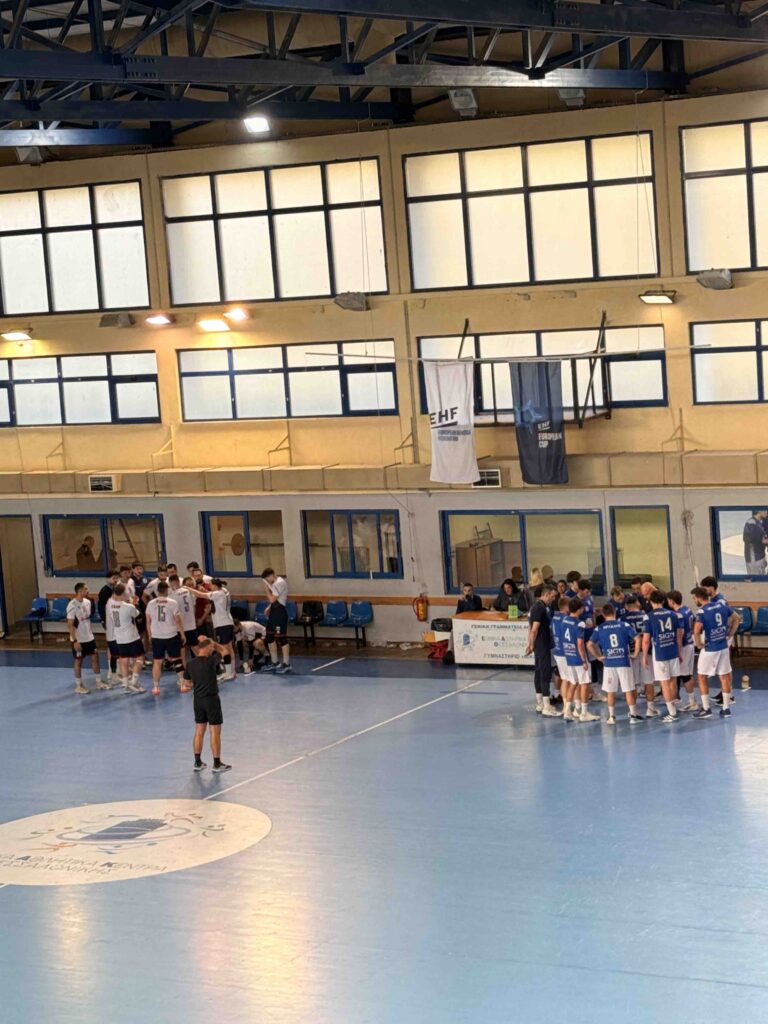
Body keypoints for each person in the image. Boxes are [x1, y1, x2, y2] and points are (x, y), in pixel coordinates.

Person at [588, 604, 643, 725]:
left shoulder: (599, 628)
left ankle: (612, 717)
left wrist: (598, 657)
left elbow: (589, 644)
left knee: (610, 691)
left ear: (603, 614)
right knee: (628, 689)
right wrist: (635, 654)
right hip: (624, 661)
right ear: (614, 612)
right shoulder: (624, 625)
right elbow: (638, 638)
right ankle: (633, 715)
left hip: (609, 663)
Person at [691, 586, 740, 719]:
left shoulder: (701, 611)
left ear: (698, 598)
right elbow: (737, 618)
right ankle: (726, 708)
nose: (694, 601)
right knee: (724, 676)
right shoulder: (721, 606)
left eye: (694, 598)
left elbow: (696, 630)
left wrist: (699, 644)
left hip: (710, 648)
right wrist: (730, 634)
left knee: (702, 676)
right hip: (723, 646)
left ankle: (706, 708)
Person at [184, 637, 231, 773]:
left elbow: (187, 684)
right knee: (215, 731)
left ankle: (197, 762)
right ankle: (216, 764)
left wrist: (198, 684)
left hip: (198, 700)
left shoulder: (190, 664)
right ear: (207, 648)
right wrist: (214, 643)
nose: (212, 650)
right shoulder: (211, 661)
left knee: (199, 731)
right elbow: (225, 651)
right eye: (211, 648)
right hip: (211, 700)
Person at [643, 589, 682, 722]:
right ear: (664, 600)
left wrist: (644, 657)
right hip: (673, 651)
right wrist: (679, 652)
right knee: (673, 681)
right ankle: (673, 707)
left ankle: (672, 713)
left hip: (661, 654)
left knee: (664, 683)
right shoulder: (673, 614)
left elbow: (646, 640)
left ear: (651, 602)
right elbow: (678, 636)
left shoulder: (649, 616)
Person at [561, 597, 599, 723]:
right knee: (584, 684)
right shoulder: (580, 623)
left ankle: (567, 711)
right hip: (578, 658)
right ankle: (584, 713)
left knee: (573, 683)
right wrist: (584, 660)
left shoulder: (565, 620)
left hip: (569, 656)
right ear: (579, 609)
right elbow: (580, 644)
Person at [67, 583, 110, 695]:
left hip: (89, 637)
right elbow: (70, 624)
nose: (88, 590)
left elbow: (86, 619)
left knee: (95, 657)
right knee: (78, 661)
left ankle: (98, 682)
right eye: (86, 589)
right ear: (80, 591)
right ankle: (78, 685)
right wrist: (75, 641)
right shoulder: (72, 605)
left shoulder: (88, 602)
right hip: (78, 639)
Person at [525, 584, 561, 716]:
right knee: (544, 672)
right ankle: (546, 706)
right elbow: (533, 629)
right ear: (546, 594)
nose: (553, 599)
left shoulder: (544, 606)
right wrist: (531, 644)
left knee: (540, 671)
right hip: (542, 644)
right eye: (552, 596)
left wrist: (531, 644)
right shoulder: (538, 608)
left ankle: (540, 703)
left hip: (543, 643)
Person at [145, 581, 184, 696]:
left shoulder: (150, 603)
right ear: (167, 590)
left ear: (157, 591)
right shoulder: (172, 602)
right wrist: (182, 634)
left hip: (157, 636)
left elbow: (148, 621)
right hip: (171, 634)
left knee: (157, 661)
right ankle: (182, 684)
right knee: (177, 659)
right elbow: (177, 620)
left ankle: (156, 687)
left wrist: (150, 635)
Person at [699, 575, 733, 705]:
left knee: (725, 668)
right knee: (723, 668)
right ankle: (725, 693)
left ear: (711, 588)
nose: (703, 590)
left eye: (705, 588)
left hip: (722, 635)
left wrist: (728, 632)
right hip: (717, 635)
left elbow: (730, 617)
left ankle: (729, 695)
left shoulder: (720, 600)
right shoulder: (712, 599)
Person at [667, 590, 699, 713]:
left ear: (671, 601)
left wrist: (679, 651)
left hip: (684, 646)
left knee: (685, 675)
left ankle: (692, 702)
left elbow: (680, 634)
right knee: (687, 674)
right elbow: (694, 623)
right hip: (690, 643)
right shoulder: (687, 609)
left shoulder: (678, 614)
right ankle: (688, 700)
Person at [110, 582, 145, 693]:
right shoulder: (128, 607)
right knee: (139, 658)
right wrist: (135, 604)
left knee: (123, 659)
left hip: (119, 638)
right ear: (122, 593)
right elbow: (139, 617)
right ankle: (133, 682)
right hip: (131, 637)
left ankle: (125, 684)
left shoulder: (110, 605)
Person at [170, 575, 209, 665]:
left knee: (182, 652)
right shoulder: (189, 591)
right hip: (191, 625)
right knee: (196, 648)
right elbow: (194, 606)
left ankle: (184, 673)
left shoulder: (172, 596)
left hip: (181, 628)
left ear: (172, 583)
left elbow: (173, 615)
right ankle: (206, 667)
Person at [261, 568, 292, 674]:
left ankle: (286, 664)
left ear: (271, 575)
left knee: (281, 638)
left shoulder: (279, 583)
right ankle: (275, 662)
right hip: (274, 612)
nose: (267, 581)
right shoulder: (275, 583)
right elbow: (274, 601)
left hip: (280, 613)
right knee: (269, 637)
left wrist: (266, 588)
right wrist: (269, 607)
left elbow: (272, 598)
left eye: (267, 579)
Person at [210, 579, 236, 681]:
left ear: (215, 586)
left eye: (211, 585)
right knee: (229, 647)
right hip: (227, 621)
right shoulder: (224, 591)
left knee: (223, 649)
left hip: (222, 624)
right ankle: (232, 671)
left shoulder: (218, 593)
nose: (210, 587)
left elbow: (202, 595)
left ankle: (228, 672)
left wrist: (188, 588)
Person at [97, 571, 120, 683]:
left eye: (117, 578)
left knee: (116, 644)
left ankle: (116, 669)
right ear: (107, 579)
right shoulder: (105, 590)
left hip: (115, 621)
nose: (115, 580)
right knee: (112, 644)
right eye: (113, 578)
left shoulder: (116, 589)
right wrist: (105, 620)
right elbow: (101, 607)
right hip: (108, 622)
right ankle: (111, 670)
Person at [550, 595, 570, 701]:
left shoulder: (555, 617)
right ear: (566, 606)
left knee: (560, 674)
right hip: (564, 651)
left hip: (556, 649)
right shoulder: (566, 619)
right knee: (567, 678)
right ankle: (566, 701)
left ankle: (559, 695)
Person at [743, 509, 768, 575]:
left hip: (759, 557)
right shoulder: (752, 524)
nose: (767, 512)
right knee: (756, 579)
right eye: (766, 510)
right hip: (754, 559)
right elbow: (762, 541)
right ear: (760, 511)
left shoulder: (758, 522)